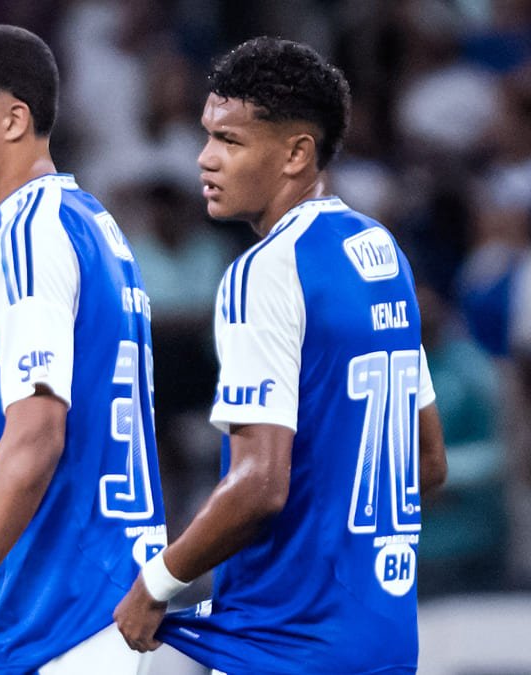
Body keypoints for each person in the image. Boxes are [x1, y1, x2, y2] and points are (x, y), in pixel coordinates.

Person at [113, 37, 449, 674]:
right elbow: (427, 463)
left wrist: (154, 585)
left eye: (230, 142)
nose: (205, 160)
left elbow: (260, 485)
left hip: (282, 644)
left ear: (297, 153)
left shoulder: (262, 272)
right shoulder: (381, 252)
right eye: (207, 136)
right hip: (383, 640)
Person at [0, 25, 167, 675]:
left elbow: (37, 434)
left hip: (57, 615)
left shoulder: (29, 237)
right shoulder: (94, 226)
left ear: (15, 118)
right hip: (104, 604)